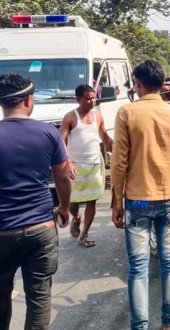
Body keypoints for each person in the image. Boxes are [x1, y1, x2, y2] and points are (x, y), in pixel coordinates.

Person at [111, 60, 170, 330]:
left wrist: (116, 202)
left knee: (139, 268)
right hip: (169, 198)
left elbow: (119, 162)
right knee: (169, 262)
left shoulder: (127, 113)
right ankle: (169, 323)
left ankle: (140, 326)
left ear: (140, 83)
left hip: (138, 199)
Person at [0, 73, 71, 329]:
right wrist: (64, 207)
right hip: (41, 229)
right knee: (39, 298)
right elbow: (63, 177)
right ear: (29, 100)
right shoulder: (48, 133)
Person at [59, 84, 113, 247]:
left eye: (93, 97)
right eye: (88, 98)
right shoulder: (70, 117)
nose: (92, 101)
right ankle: (76, 218)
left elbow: (104, 136)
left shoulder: (98, 116)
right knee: (72, 202)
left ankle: (84, 234)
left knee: (92, 201)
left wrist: (116, 147)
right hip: (75, 166)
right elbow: (61, 142)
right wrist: (67, 162)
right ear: (78, 99)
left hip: (95, 164)